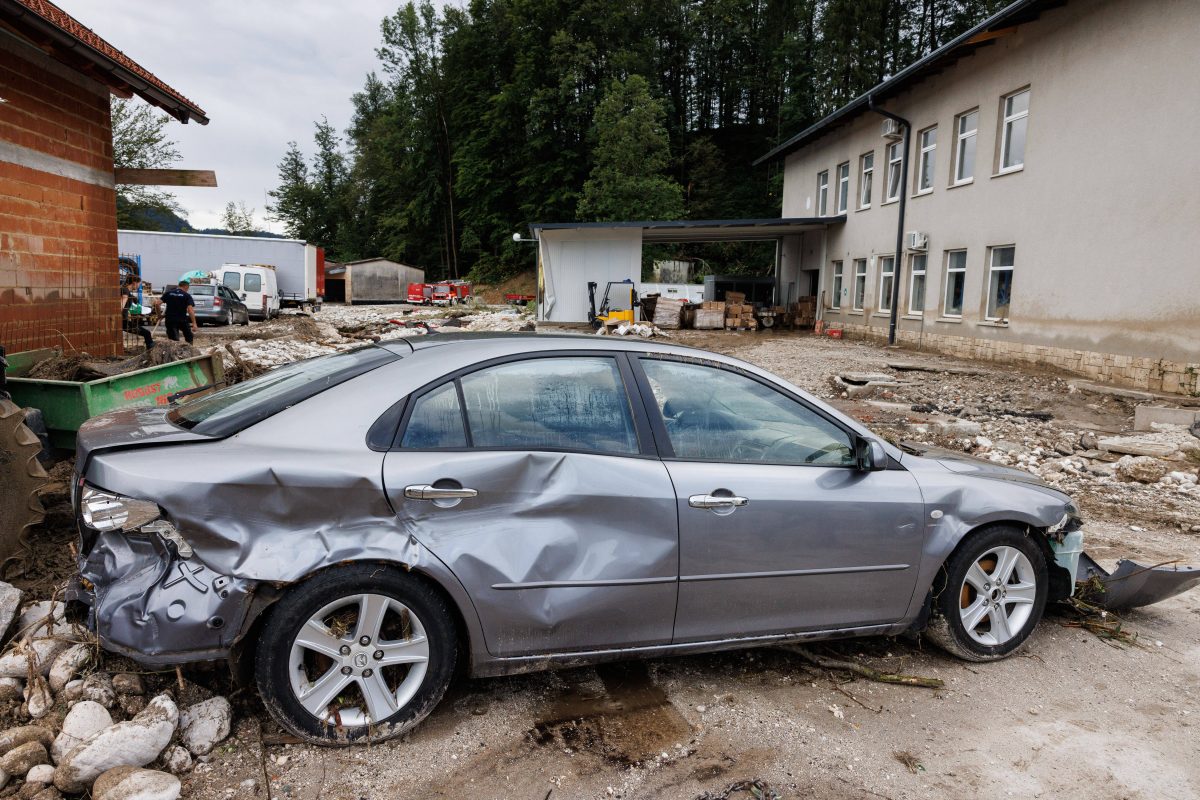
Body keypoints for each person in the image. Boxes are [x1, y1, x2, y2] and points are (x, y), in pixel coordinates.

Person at [160, 279, 198, 344]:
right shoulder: (187, 295)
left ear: (179, 286)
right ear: (186, 287)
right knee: (189, 337)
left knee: (174, 340)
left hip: (170, 320)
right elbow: (190, 309)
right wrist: (194, 323)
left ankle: (174, 352)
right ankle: (190, 351)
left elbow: (157, 303)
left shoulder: (168, 293)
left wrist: (159, 315)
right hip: (182, 320)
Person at [120, 277, 154, 349]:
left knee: (146, 333)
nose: (139, 286)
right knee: (147, 333)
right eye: (139, 284)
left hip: (122, 320)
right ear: (134, 283)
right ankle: (151, 351)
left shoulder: (125, 290)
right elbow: (121, 306)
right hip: (122, 321)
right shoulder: (125, 291)